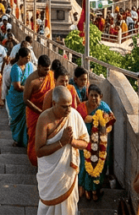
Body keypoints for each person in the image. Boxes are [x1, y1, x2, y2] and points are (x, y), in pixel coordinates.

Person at [35, 86, 91, 215]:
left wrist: (72, 142)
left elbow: (85, 142)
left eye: (70, 105)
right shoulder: (44, 119)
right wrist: (62, 142)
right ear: (54, 104)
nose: (68, 110)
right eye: (64, 106)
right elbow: (39, 151)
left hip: (67, 174)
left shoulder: (74, 115)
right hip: (50, 176)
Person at [78, 84, 115, 202]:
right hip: (84, 142)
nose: (94, 98)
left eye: (96, 96)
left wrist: (102, 122)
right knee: (85, 165)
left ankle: (95, 190)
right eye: (91, 95)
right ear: (87, 96)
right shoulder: (82, 107)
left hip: (99, 143)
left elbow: (110, 124)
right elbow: (76, 122)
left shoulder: (104, 108)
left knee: (99, 167)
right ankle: (86, 189)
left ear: (101, 97)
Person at [24, 55, 55, 166]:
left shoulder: (51, 76)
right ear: (39, 67)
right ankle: (35, 160)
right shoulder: (31, 80)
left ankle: (46, 162)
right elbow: (26, 100)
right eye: (45, 69)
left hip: (48, 113)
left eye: (48, 69)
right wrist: (40, 112)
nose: (47, 72)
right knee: (34, 136)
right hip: (34, 113)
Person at [7, 48, 34, 147]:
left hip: (26, 96)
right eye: (27, 58)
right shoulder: (15, 68)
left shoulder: (30, 66)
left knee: (26, 119)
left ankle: (25, 140)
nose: (29, 60)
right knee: (17, 119)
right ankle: (17, 139)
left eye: (29, 57)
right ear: (20, 57)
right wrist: (29, 89)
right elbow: (17, 87)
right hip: (16, 98)